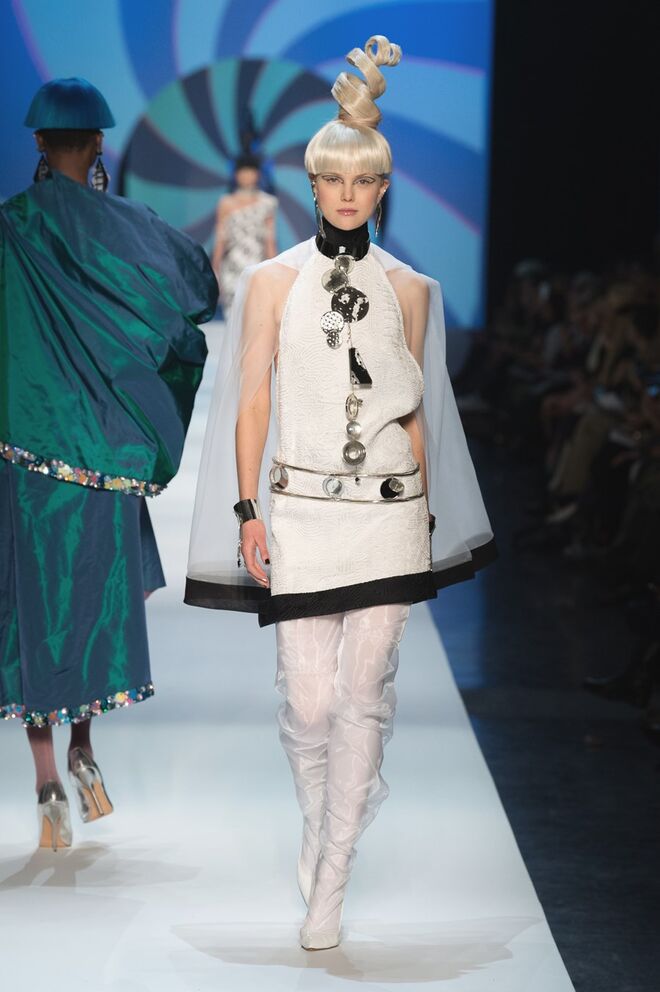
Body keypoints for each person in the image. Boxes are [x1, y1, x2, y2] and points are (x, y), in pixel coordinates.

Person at [185, 37, 495, 950]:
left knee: (363, 696)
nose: (348, 193)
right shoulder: (272, 285)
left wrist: (424, 512)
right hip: (303, 512)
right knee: (311, 703)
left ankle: (333, 876)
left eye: (364, 180)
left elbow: (416, 414)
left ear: (382, 189)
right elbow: (251, 400)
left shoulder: (414, 290)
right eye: (333, 179)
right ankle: (324, 824)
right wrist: (247, 510)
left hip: (388, 513)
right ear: (313, 185)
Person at [0, 78, 218, 850]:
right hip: (105, 454)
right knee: (91, 604)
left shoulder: (10, 228)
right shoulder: (133, 228)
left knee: (31, 609)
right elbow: (195, 295)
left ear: (37, 142)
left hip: (25, 449)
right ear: (98, 142)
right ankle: (84, 750)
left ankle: (45, 779)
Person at [212, 153, 277, 314]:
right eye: (243, 171)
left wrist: (275, 270)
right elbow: (220, 238)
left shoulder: (267, 203)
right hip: (232, 267)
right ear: (236, 175)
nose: (246, 175)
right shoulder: (226, 203)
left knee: (255, 315)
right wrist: (215, 270)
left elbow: (269, 240)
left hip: (257, 265)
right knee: (232, 314)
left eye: (250, 171)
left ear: (258, 174)